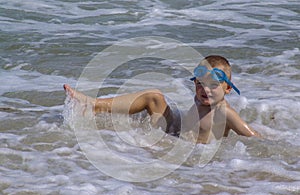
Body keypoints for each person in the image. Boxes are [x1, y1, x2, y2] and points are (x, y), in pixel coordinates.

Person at [63, 55, 260, 144]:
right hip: (176, 129)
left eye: (213, 85)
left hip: (185, 145)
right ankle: (94, 106)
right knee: (154, 97)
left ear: (227, 89)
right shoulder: (201, 99)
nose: (205, 90)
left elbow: (253, 137)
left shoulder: (224, 113)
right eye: (200, 83)